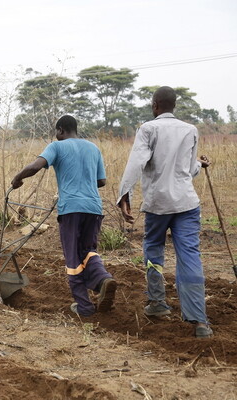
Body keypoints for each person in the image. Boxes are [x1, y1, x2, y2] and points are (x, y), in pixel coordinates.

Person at [117, 86, 212, 338]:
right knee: (190, 255)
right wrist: (201, 165)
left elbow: (137, 162)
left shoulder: (148, 129)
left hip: (158, 204)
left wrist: (124, 194)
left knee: (153, 250)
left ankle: (158, 303)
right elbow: (188, 169)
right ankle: (199, 320)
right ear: (174, 105)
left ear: (155, 105)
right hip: (187, 204)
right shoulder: (190, 130)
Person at [11, 115, 117, 317]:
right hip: (94, 207)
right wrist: (83, 183)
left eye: (56, 132)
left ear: (60, 130)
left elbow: (35, 166)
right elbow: (101, 181)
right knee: (89, 252)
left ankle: (85, 308)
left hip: (71, 209)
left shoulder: (56, 147)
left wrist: (17, 179)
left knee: (73, 257)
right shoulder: (93, 148)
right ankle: (103, 279)